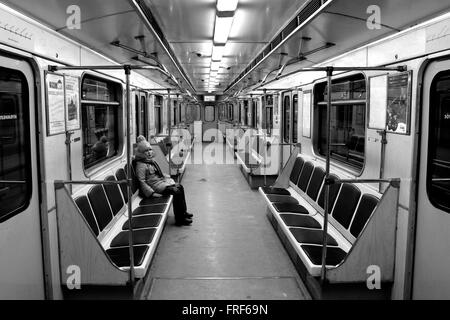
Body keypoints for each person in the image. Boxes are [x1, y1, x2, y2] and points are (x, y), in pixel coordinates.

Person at [135, 139, 194, 226]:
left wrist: (167, 179)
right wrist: (151, 193)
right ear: (141, 153)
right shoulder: (141, 165)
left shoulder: (150, 161)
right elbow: (142, 181)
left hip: (160, 183)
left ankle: (183, 212)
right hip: (155, 187)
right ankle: (179, 219)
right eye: (146, 151)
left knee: (180, 187)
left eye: (150, 150)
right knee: (176, 191)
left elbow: (158, 174)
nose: (149, 152)